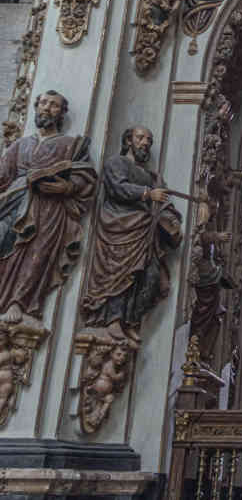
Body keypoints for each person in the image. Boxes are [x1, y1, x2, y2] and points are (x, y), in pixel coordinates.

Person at [0, 91, 96, 324]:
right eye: (43, 103)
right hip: (14, 200)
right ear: (36, 107)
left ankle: (18, 301)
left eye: (54, 105)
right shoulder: (20, 144)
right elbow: (3, 175)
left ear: (61, 113)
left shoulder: (69, 144)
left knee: (36, 252)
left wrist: (67, 187)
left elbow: (86, 176)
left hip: (48, 207)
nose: (46, 108)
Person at [82, 125, 182, 341]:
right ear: (128, 141)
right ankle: (113, 320)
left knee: (152, 277)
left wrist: (173, 220)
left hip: (146, 234)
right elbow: (117, 188)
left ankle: (132, 320)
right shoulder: (116, 163)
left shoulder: (153, 177)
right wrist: (147, 194)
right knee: (121, 274)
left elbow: (165, 203)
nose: (145, 142)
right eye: (140, 138)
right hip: (119, 227)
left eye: (149, 140)